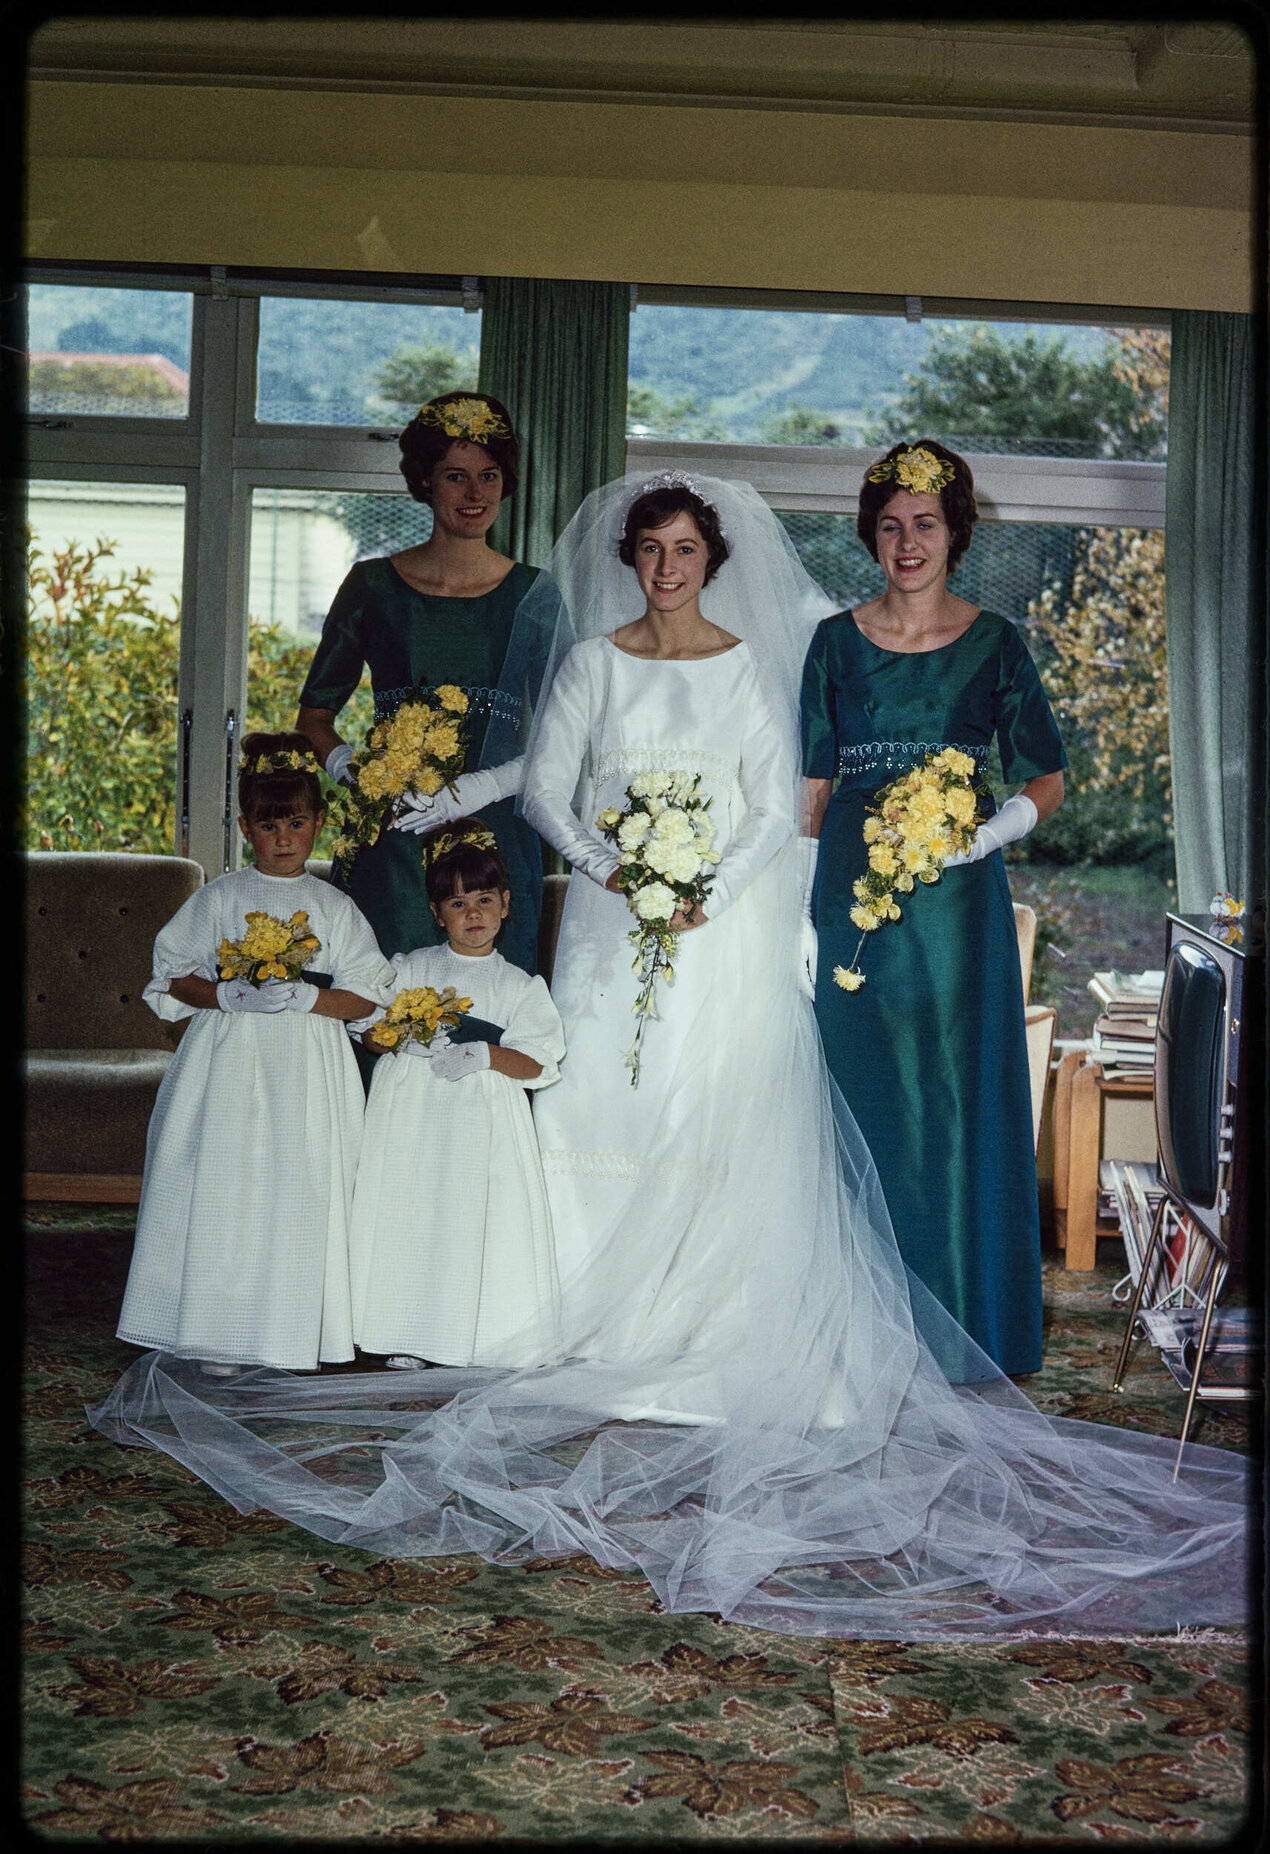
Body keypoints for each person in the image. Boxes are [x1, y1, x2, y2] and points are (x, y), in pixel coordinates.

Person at [92, 481, 1249, 1643]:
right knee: (607, 1098)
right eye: (649, 552)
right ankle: (587, 1324)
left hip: (715, 934)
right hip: (610, 921)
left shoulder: (754, 665)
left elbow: (768, 808)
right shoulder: (594, 662)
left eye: (685, 551)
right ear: (631, 560)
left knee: (708, 1099)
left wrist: (700, 891)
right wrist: (616, 870)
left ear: (714, 558)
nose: (666, 569)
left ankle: (706, 1324)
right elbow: (544, 790)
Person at [801, 440, 1066, 1376]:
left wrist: (984, 837)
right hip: (847, 907)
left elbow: (1047, 772)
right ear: (869, 538)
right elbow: (815, 783)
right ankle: (857, 1329)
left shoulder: (997, 641)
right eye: (888, 527)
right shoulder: (833, 641)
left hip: (958, 906)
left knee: (951, 1105)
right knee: (858, 1097)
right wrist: (800, 911)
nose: (906, 543)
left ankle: (963, 1330)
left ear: (955, 533)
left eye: (925, 524)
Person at [114, 733, 395, 1373]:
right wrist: (228, 995)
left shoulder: (335, 907)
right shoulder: (220, 898)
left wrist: (305, 999)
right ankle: (217, 1330)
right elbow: (170, 978)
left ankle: (292, 1328)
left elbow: (367, 998)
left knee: (300, 1183)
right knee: (227, 1180)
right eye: (269, 825)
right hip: (230, 1060)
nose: (284, 837)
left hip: (307, 1066)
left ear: (319, 824)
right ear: (245, 828)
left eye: (297, 822)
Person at [295, 390, 553, 979]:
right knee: (385, 994)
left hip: (498, 833)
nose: (474, 494)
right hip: (394, 833)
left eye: (488, 476)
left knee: (493, 1003)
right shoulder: (371, 587)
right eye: (455, 476)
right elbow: (314, 716)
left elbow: (570, 731)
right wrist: (359, 776)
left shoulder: (535, 597)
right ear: (425, 483)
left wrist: (484, 786)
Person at [347, 826, 565, 1370]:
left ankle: (473, 1332)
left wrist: (486, 1055)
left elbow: (538, 1060)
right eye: (457, 902)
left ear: (506, 905)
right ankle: (405, 1330)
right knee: (413, 1214)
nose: (473, 914)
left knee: (467, 1218)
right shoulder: (414, 966)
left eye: (484, 900)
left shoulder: (519, 984)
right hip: (413, 1118)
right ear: (437, 911)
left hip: (479, 1125)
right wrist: (400, 1034)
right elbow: (369, 1030)